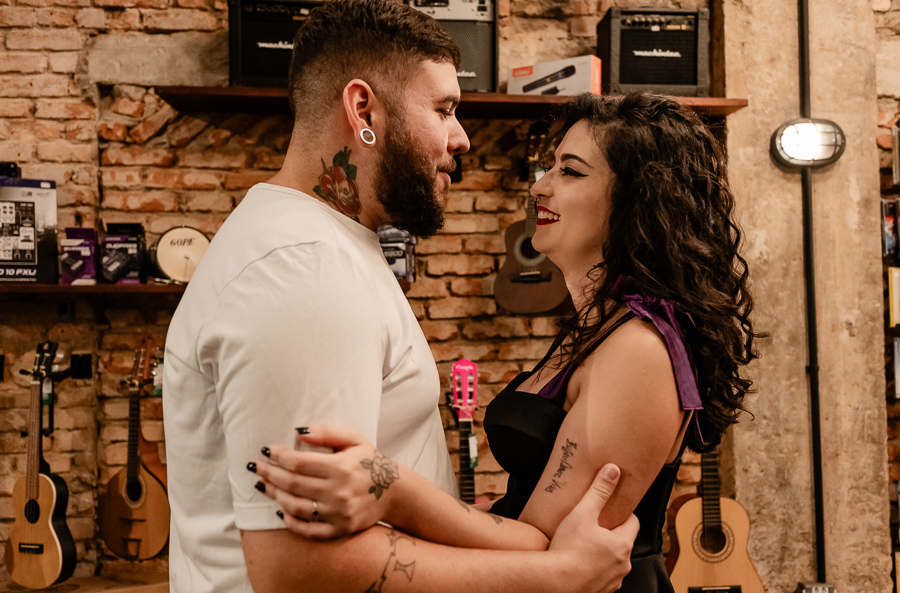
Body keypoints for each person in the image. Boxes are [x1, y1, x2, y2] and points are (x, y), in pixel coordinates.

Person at [162, 0, 639, 592]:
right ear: (363, 109)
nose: (461, 139)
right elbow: (299, 567)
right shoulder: (306, 270)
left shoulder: (325, 244)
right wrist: (556, 575)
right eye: (444, 110)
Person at [252, 91, 762, 592]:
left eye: (570, 171)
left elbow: (551, 547)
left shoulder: (640, 349)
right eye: (549, 167)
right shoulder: (596, 327)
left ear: (639, 199)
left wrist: (392, 490)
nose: (539, 187)